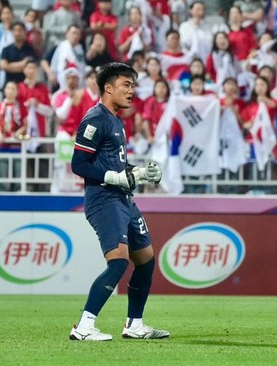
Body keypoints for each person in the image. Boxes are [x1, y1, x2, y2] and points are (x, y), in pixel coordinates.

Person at [68, 62, 167, 341]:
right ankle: (84, 327)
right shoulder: (95, 118)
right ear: (108, 87)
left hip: (124, 199)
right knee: (119, 261)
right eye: (126, 85)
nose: (131, 91)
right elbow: (78, 164)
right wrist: (113, 176)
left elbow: (116, 163)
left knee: (145, 260)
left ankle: (134, 325)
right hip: (103, 200)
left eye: (133, 85)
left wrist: (139, 172)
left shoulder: (115, 119)